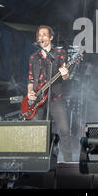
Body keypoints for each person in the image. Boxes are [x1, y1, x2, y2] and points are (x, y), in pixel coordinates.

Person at [27, 25, 72, 161]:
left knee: (64, 130)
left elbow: (65, 75)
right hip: (37, 98)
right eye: (39, 35)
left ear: (51, 37)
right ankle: (35, 161)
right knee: (36, 130)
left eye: (44, 34)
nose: (41, 37)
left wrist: (65, 74)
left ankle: (69, 162)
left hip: (55, 97)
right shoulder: (34, 57)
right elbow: (30, 78)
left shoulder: (59, 54)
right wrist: (29, 92)